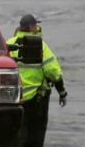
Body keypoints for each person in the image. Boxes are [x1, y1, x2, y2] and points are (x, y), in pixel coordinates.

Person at [6, 14, 67, 147]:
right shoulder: (40, 45)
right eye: (36, 25)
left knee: (15, 134)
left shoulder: (8, 43)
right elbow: (52, 71)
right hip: (37, 100)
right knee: (36, 135)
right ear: (31, 27)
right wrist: (62, 92)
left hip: (13, 99)